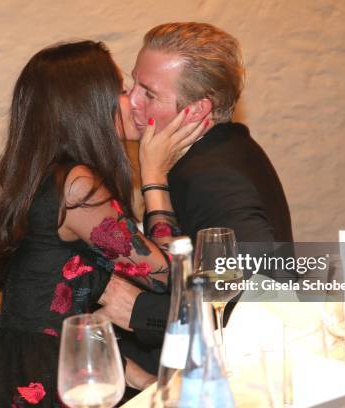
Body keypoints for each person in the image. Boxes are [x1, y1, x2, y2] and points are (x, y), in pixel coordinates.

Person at [0, 40, 207, 407]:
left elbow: (68, 311)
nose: (132, 100)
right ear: (88, 106)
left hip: (36, 365)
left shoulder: (52, 178)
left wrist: (142, 379)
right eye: (121, 90)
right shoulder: (76, 187)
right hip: (43, 384)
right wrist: (155, 175)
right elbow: (170, 275)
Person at [96, 22, 295, 373]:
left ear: (197, 110)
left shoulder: (210, 176)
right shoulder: (223, 146)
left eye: (149, 93)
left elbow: (258, 292)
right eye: (133, 85)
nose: (131, 103)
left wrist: (140, 312)